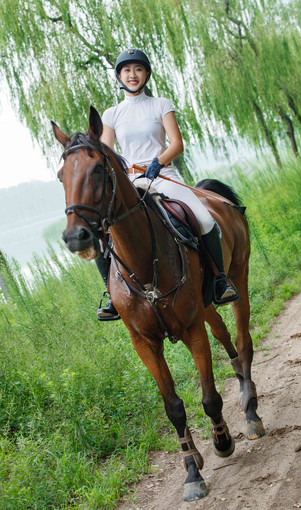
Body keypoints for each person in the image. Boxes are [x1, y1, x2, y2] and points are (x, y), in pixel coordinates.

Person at [96, 48, 238, 320]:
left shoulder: (161, 104)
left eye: (138, 69)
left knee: (204, 219)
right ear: (119, 76)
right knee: (104, 233)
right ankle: (111, 294)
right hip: (131, 182)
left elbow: (177, 143)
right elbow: (107, 152)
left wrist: (158, 162)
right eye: (126, 70)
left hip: (163, 175)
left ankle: (220, 280)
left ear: (146, 74)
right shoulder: (112, 114)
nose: (132, 75)